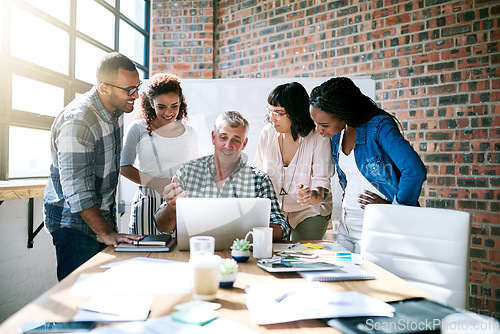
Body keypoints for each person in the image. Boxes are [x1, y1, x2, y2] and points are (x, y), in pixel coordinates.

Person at [44, 52, 144, 281]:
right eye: (129, 90)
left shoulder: (116, 109)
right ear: (104, 88)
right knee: (77, 302)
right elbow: (77, 189)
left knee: (101, 297)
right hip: (74, 225)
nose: (136, 95)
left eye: (136, 87)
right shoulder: (78, 121)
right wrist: (107, 233)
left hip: (102, 218)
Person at [309, 77, 427, 253]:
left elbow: (414, 170)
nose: (318, 130)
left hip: (376, 228)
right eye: (315, 123)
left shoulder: (378, 127)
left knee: (369, 280)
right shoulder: (337, 135)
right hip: (346, 228)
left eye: (324, 125)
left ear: (343, 112)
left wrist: (397, 208)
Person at [155, 111, 291, 241]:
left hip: (243, 255)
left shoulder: (259, 179)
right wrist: (171, 208)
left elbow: (282, 227)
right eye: (223, 137)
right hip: (195, 253)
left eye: (236, 140)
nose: (228, 145)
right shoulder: (187, 172)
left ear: (244, 144)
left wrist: (251, 230)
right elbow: (163, 228)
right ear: (213, 137)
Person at [253, 82, 334, 241]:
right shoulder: (267, 133)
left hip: (309, 210)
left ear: (295, 112)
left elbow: (322, 186)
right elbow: (258, 175)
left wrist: (310, 195)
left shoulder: (318, 138)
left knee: (302, 254)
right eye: (270, 111)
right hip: (275, 211)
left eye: (278, 113)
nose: (272, 118)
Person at [120, 73, 198, 235]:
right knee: (144, 256)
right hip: (148, 200)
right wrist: (156, 183)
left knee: (177, 256)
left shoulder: (190, 133)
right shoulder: (138, 128)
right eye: (161, 107)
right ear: (151, 102)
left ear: (181, 103)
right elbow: (124, 167)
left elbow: (193, 171)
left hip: (178, 203)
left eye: (174, 106)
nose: (168, 112)